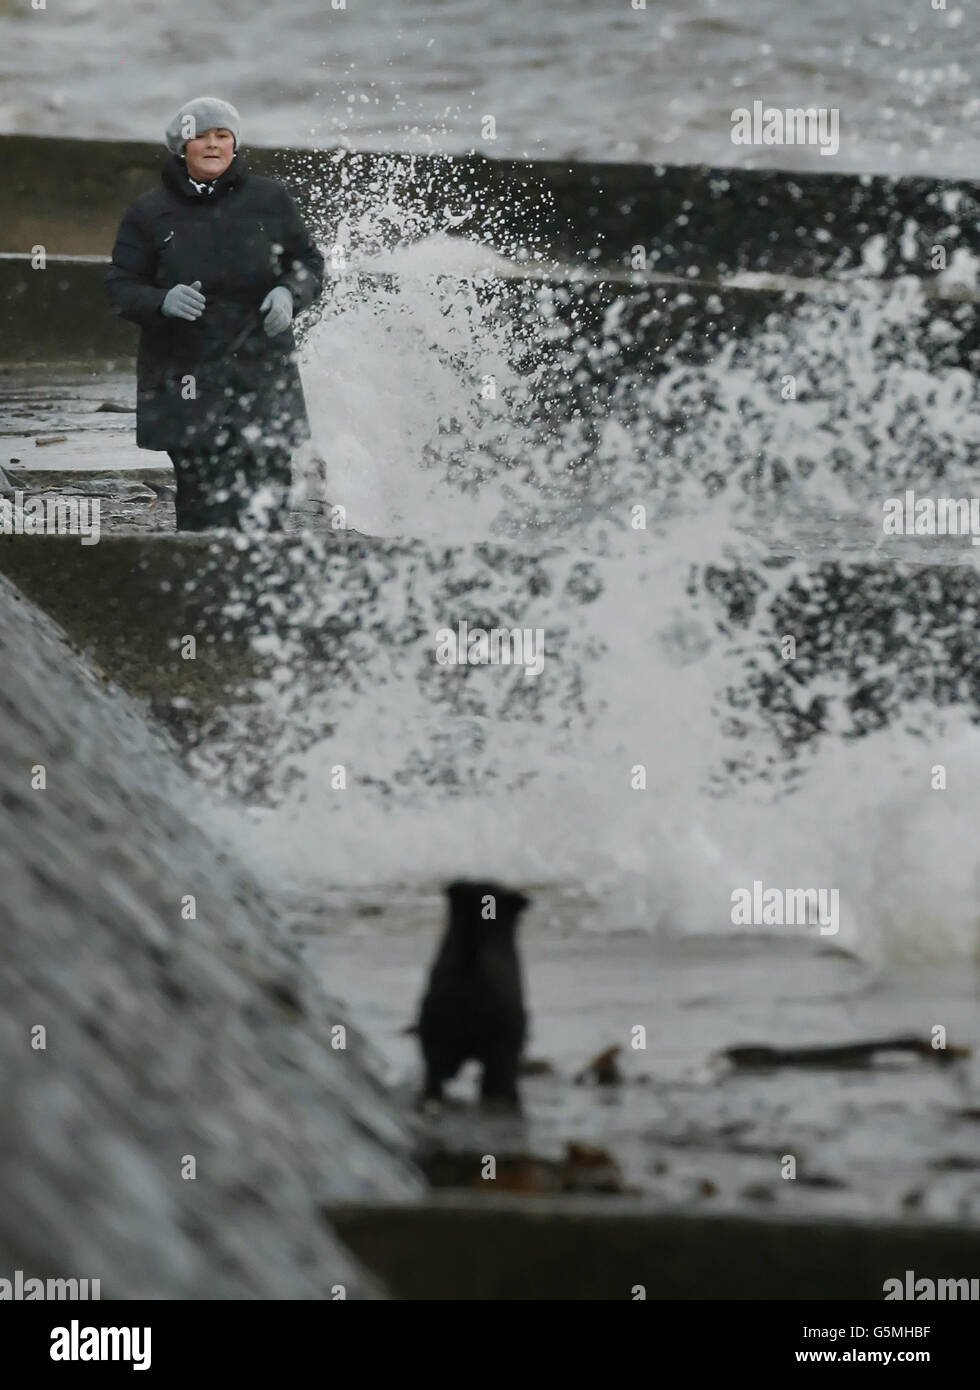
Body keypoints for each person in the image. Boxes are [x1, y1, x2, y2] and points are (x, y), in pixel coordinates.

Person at [104, 97, 325, 531]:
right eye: (200, 136)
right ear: (181, 147)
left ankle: (263, 569)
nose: (212, 145)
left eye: (222, 136)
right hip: (185, 374)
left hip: (262, 368)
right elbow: (119, 285)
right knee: (201, 498)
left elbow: (308, 264)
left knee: (267, 492)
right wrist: (161, 301)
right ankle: (202, 566)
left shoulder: (270, 200)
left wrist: (288, 293)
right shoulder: (148, 212)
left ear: (234, 144)